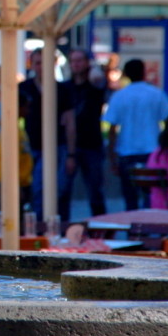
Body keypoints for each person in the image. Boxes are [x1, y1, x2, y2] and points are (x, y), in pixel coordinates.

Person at [103, 58, 168, 211]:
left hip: (126, 152)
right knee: (152, 195)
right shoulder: (156, 94)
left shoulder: (119, 96)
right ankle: (149, 228)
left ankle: (133, 229)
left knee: (130, 198)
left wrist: (112, 158)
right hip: (152, 151)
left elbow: (112, 129)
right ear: (144, 72)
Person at [19, 48, 75, 221]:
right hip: (31, 146)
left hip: (57, 146)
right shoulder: (24, 88)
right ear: (32, 65)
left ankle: (58, 227)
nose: (41, 67)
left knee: (59, 191)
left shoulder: (63, 89)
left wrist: (71, 154)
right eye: (37, 63)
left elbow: (70, 121)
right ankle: (36, 228)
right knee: (35, 191)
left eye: (45, 63)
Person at [61, 49, 108, 217]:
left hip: (91, 143)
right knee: (63, 190)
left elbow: (100, 82)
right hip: (69, 144)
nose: (76, 64)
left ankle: (100, 229)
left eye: (80, 60)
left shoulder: (95, 85)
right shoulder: (65, 87)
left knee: (95, 192)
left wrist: (95, 69)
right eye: (73, 61)